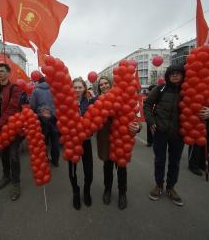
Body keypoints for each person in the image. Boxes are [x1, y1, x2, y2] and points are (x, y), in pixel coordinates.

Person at [96, 76, 140, 210]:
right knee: (107, 166)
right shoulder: (97, 101)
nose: (104, 86)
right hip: (105, 139)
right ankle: (107, 190)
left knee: (121, 168)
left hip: (120, 139)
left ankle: (122, 194)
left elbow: (132, 116)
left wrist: (138, 128)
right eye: (101, 85)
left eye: (106, 83)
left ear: (111, 84)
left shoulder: (122, 98)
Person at [144, 65, 185, 206]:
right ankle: (159, 186)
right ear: (168, 75)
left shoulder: (187, 91)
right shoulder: (160, 89)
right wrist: (151, 121)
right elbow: (147, 104)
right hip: (160, 132)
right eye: (172, 74)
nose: (175, 76)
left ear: (182, 75)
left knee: (175, 162)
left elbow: (200, 106)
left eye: (178, 73)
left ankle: (171, 187)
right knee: (160, 160)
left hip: (179, 133)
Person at [0, 63, 23, 201]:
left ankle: (16, 183)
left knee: (13, 156)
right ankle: (6, 177)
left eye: (2, 71)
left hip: (12, 128)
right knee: (3, 154)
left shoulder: (15, 88)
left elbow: (12, 108)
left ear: (9, 73)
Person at [69, 77, 95, 210]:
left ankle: (86, 190)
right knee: (72, 171)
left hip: (85, 141)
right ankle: (76, 191)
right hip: (71, 142)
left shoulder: (90, 102)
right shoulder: (66, 102)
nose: (77, 90)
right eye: (75, 87)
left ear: (84, 88)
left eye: (80, 87)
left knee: (89, 171)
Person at [29, 76, 60, 167]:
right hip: (54, 117)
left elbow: (32, 105)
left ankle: (45, 160)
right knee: (55, 140)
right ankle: (55, 160)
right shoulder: (55, 90)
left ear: (39, 82)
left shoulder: (35, 91)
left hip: (42, 117)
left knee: (43, 141)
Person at [188, 107, 209, 176]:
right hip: (198, 123)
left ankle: (203, 164)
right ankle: (193, 165)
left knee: (207, 144)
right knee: (196, 145)